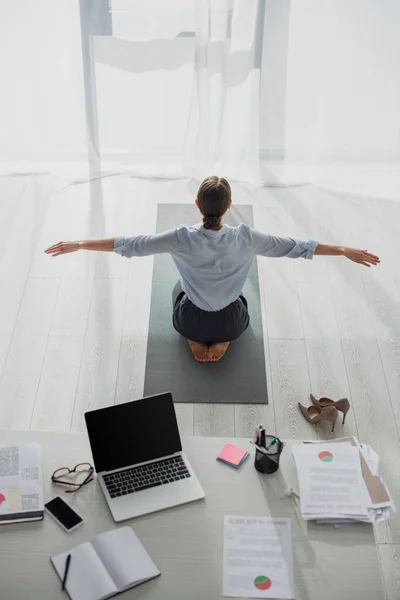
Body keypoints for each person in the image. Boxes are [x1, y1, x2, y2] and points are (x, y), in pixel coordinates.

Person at [45, 176, 380, 363]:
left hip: (190, 317)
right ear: (229, 206)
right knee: (242, 299)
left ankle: (194, 339)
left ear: (197, 206)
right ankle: (223, 341)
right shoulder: (248, 239)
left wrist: (80, 243)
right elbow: (297, 247)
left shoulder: (179, 238)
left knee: (178, 289)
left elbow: (131, 244)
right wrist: (343, 250)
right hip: (231, 320)